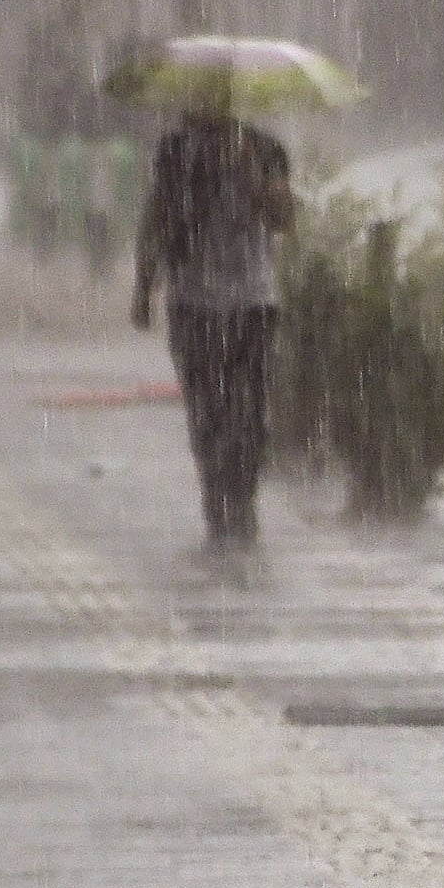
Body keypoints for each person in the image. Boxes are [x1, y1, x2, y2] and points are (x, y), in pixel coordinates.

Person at [130, 109, 293, 554]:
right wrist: (144, 286)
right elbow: (157, 217)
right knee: (207, 410)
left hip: (253, 303)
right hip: (194, 303)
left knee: (252, 411)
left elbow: (285, 219)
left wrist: (255, 179)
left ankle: (242, 502)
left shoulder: (265, 147)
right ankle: (217, 500)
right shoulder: (176, 151)